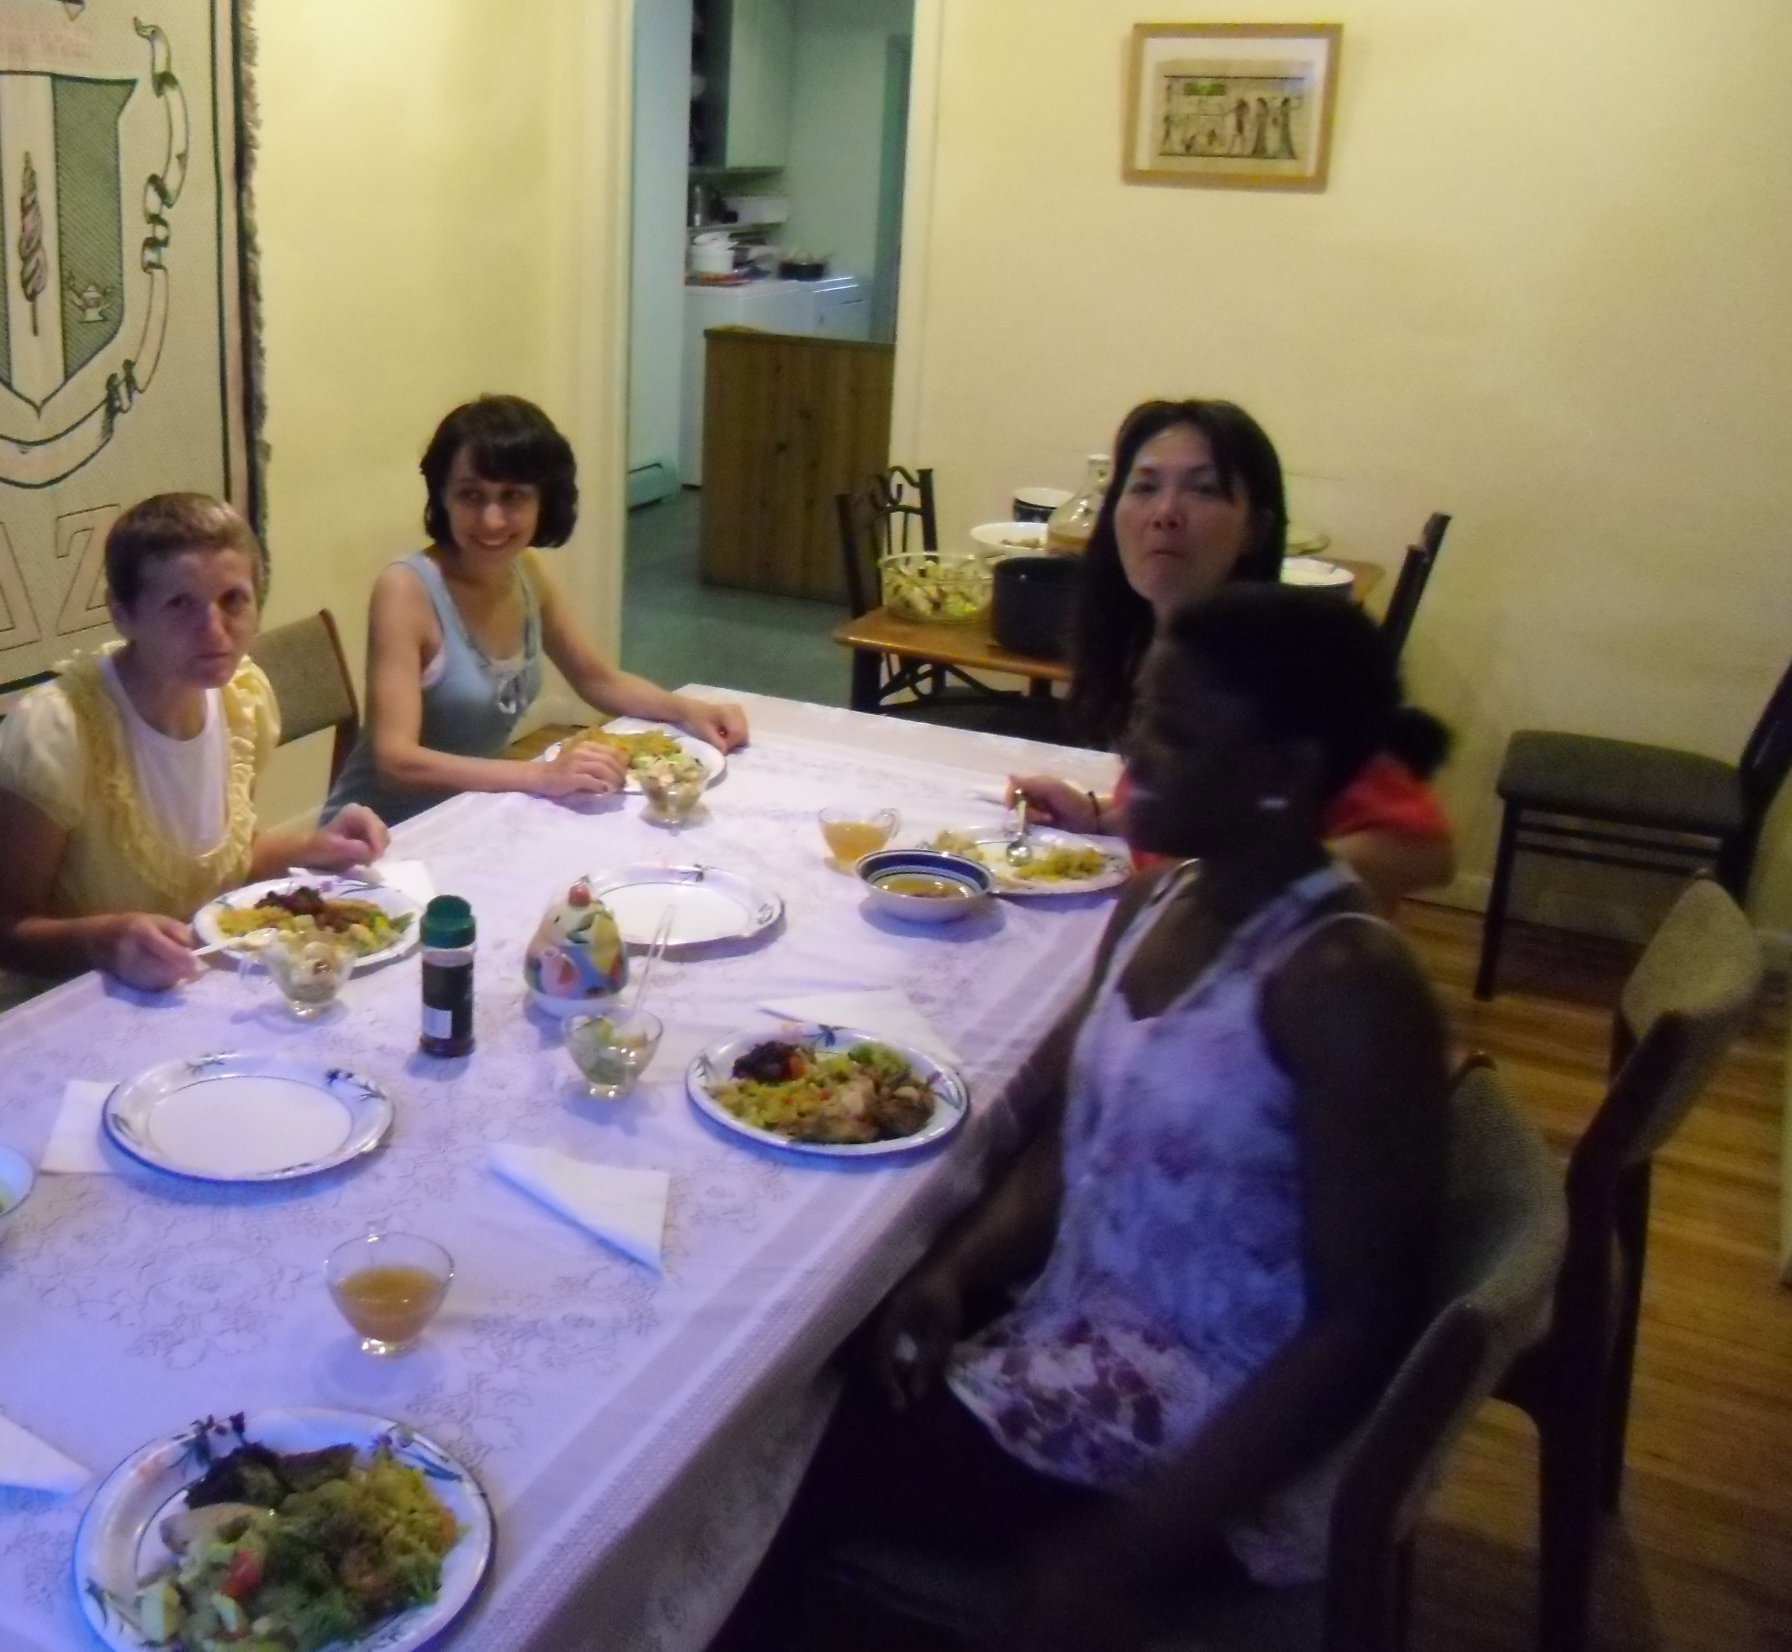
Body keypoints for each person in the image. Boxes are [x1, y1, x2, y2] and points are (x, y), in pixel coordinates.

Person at [718, 585, 1451, 1651]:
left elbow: (1363, 1322)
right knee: (790, 1369)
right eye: (1140, 713)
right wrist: (954, 1271)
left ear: (1285, 773)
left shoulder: (1344, 987)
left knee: (758, 1459)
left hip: (1208, 1449)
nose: (1130, 751)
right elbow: (1072, 1144)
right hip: (1069, 1341)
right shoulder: (1156, 903)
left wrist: (1134, 1546)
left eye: (1174, 730)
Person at [1010, 398, 1455, 910]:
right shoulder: (1161, 649)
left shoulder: (1282, 666)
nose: (1165, 513)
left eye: (1203, 489)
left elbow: (1423, 851)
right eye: (1145, 487)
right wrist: (1098, 815)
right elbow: (1221, 801)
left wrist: (1223, 881)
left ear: (1255, 530)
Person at [0, 492, 388, 1001]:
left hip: (190, 983)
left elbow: (223, 863)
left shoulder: (242, 699)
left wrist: (316, 846)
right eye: (179, 604)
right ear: (123, 614)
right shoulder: (57, 731)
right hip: (77, 1003)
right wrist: (104, 941)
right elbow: (1, 932)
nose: (213, 631)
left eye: (233, 599)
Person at [325, 395, 749, 824]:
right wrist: (539, 775)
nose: (492, 520)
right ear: (443, 497)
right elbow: (396, 763)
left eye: (512, 496)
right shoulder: (405, 590)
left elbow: (597, 679)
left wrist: (687, 710)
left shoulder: (524, 572)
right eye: (471, 495)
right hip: (378, 836)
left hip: (471, 811)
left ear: (543, 500)